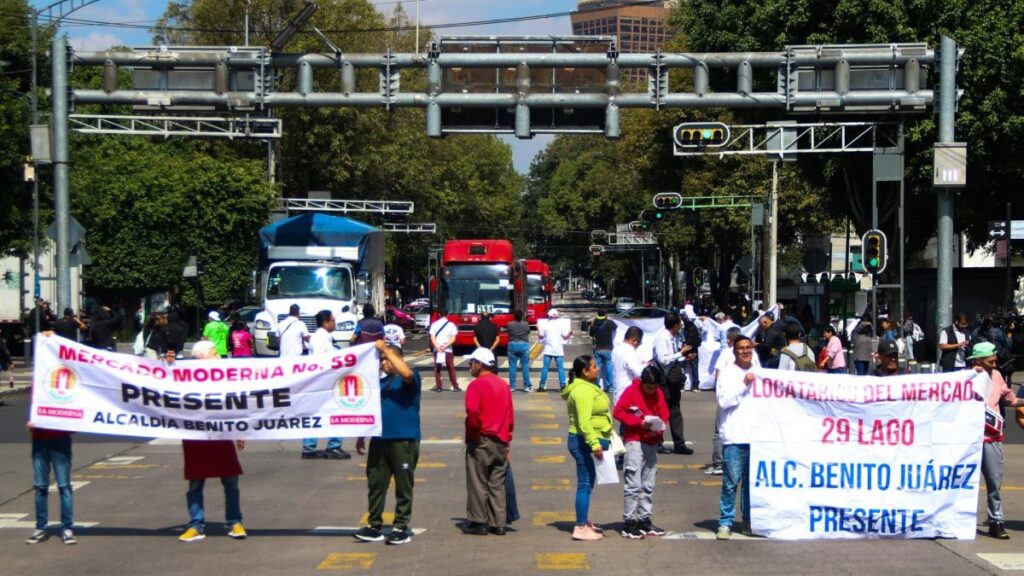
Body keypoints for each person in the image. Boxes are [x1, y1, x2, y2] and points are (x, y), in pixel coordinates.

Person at [178, 341, 247, 542]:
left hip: (221, 434)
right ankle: (196, 525)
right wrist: (169, 363)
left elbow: (233, 402)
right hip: (195, 436)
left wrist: (239, 431)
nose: (219, 356)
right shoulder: (185, 376)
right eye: (215, 353)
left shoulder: (224, 376)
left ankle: (235, 522)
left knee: (231, 480)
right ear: (201, 357)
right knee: (195, 482)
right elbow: (163, 378)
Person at [354, 341, 421, 546]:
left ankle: (401, 526)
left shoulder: (410, 377)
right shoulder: (379, 384)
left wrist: (385, 349)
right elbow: (370, 411)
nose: (384, 362)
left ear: (400, 359)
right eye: (382, 359)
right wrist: (361, 435)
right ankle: (374, 525)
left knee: (403, 485)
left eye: (388, 359)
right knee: (376, 483)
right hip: (379, 439)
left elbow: (406, 374)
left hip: (403, 439)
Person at [25, 336, 76, 545]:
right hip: (40, 439)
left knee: (64, 486)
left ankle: (67, 528)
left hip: (60, 440)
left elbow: (77, 412)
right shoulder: (38, 384)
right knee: (40, 487)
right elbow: (35, 409)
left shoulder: (70, 383)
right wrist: (31, 422)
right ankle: (41, 527)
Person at [972, 342, 1024, 539]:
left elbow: (1010, 399)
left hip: (991, 436)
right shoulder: (967, 377)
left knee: (994, 482)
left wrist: (1022, 401)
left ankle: (996, 521)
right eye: (990, 361)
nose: (994, 364)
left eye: (995, 360)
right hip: (969, 438)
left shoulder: (997, 376)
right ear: (978, 360)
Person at [613, 365, 670, 539]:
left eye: (654, 387)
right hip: (635, 440)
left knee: (648, 483)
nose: (651, 391)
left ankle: (645, 519)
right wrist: (639, 423)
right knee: (633, 484)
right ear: (642, 383)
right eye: (648, 387)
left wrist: (658, 431)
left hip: (652, 441)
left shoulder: (658, 393)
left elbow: (664, 414)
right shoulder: (631, 391)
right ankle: (629, 521)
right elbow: (618, 412)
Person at [462, 348, 514, 536]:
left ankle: (479, 521)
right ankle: (498, 522)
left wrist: (473, 433)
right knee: (496, 482)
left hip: (482, 438)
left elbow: (472, 411)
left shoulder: (476, 385)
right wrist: (507, 440)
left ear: (479, 364)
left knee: (477, 481)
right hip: (500, 439)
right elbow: (510, 415)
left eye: (472, 362)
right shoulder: (503, 385)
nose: (470, 366)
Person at [562, 355, 612, 541]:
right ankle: (580, 526)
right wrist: (594, 443)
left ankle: (583, 520)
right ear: (585, 371)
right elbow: (584, 422)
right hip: (581, 440)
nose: (597, 369)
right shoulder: (582, 390)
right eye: (594, 366)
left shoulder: (587, 386)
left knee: (588, 482)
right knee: (584, 483)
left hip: (585, 440)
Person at [716, 336, 757, 540]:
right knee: (731, 483)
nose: (746, 351)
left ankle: (748, 520)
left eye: (749, 347)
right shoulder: (727, 373)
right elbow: (724, 401)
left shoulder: (759, 371)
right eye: (741, 348)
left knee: (751, 485)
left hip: (756, 437)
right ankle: (725, 522)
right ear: (734, 351)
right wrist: (744, 384)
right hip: (734, 435)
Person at [302, 310, 348, 460]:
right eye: (333, 320)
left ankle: (310, 447)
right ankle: (333, 446)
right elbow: (319, 361)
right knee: (336, 412)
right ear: (326, 322)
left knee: (316, 414)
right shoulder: (320, 338)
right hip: (323, 382)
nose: (335, 323)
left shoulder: (323, 337)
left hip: (323, 382)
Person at [651, 312, 694, 455]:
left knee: (675, 410)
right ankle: (657, 442)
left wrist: (685, 357)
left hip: (673, 378)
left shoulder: (673, 337)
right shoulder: (662, 338)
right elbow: (663, 360)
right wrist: (681, 353)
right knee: (661, 411)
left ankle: (679, 444)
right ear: (674, 325)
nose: (681, 326)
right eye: (679, 324)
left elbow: (672, 357)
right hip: (663, 378)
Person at [538, 309, 572, 392]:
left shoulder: (545, 325)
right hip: (558, 350)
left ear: (549, 315)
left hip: (548, 350)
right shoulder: (561, 325)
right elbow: (565, 337)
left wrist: (538, 329)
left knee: (545, 368)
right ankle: (563, 385)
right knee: (560, 368)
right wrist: (570, 333)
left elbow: (541, 337)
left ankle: (542, 386)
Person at [611, 326, 646, 407]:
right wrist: (645, 366)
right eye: (639, 343)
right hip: (628, 394)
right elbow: (639, 373)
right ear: (634, 341)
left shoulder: (616, 349)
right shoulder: (629, 351)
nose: (638, 346)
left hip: (617, 393)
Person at [429, 309, 460, 392]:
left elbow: (432, 338)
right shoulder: (451, 325)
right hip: (448, 349)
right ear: (448, 314)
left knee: (437, 368)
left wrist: (438, 347)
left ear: (439, 314)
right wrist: (445, 346)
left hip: (437, 350)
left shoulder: (434, 324)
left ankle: (439, 387)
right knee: (451, 368)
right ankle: (455, 386)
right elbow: (453, 339)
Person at [588, 309, 616, 392]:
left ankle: (596, 385)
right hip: (607, 348)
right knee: (609, 367)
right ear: (605, 314)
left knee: (597, 368)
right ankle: (610, 386)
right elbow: (615, 327)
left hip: (597, 348)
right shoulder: (609, 322)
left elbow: (591, 334)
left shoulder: (594, 323)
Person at [506, 309, 533, 392]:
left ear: (514, 316)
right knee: (525, 366)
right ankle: (527, 386)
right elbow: (528, 332)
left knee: (512, 366)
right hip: (524, 345)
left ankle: (512, 386)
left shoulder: (509, 324)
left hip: (512, 345)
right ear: (522, 316)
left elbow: (508, 332)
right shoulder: (526, 324)